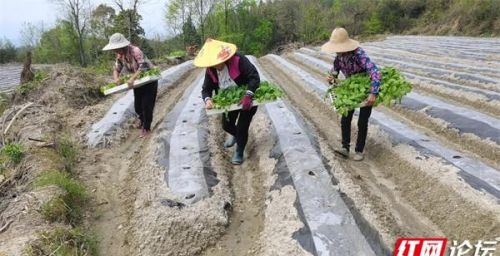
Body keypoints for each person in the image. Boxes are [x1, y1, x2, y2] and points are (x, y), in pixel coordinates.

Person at [195, 38, 260, 165]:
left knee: (242, 126)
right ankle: (238, 136)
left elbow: (254, 77)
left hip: (247, 98)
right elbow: (206, 89)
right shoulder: (211, 70)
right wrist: (207, 100)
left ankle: (239, 151)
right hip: (230, 101)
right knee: (226, 125)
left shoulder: (238, 60)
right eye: (213, 63)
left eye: (218, 62)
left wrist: (248, 94)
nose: (217, 65)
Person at [322, 27, 381, 161]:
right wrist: (331, 78)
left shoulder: (358, 54)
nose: (338, 50)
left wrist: (373, 92)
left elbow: (375, 72)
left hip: (365, 87)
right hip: (351, 88)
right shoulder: (338, 58)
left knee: (362, 120)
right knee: (346, 117)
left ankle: (359, 150)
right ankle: (345, 148)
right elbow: (334, 72)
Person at [102, 33, 157, 138]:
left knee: (146, 105)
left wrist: (132, 78)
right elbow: (116, 69)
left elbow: (143, 66)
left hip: (149, 80)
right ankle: (142, 121)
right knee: (138, 106)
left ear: (122, 46)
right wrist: (116, 79)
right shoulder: (120, 55)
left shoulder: (135, 51)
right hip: (138, 82)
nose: (115, 51)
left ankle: (146, 128)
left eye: (116, 48)